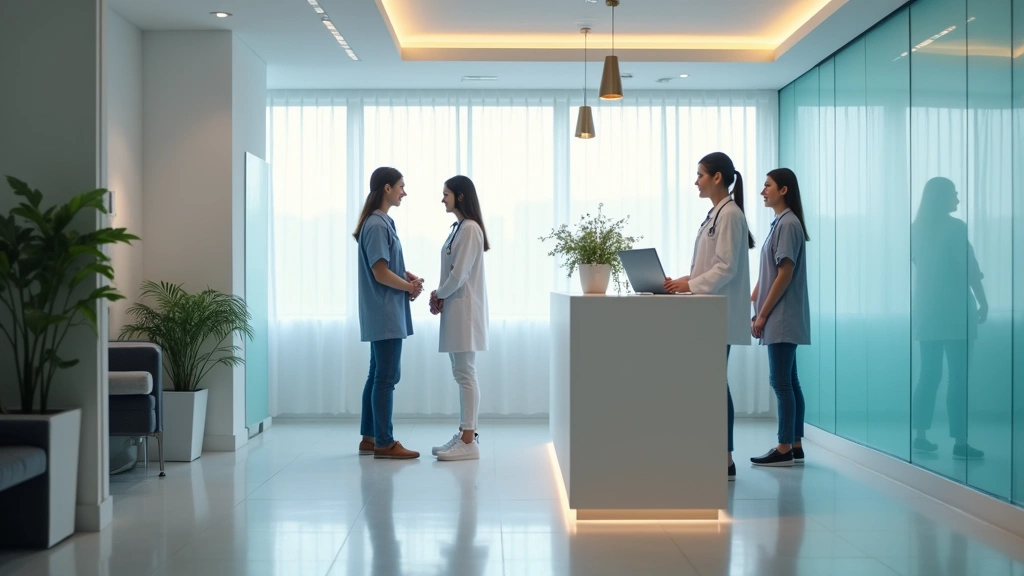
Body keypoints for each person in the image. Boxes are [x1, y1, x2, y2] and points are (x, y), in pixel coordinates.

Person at [664, 151, 754, 481]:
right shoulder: (716, 214)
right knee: (712, 383)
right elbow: (712, 266)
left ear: (717, 177)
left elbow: (726, 268)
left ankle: (725, 458)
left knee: (715, 383)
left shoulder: (729, 215)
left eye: (700, 174)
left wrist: (691, 286)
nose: (696, 181)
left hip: (718, 313)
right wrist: (687, 282)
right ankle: (717, 452)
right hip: (709, 311)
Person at [911, 177, 986, 460]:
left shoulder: (915, 228)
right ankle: (960, 442)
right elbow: (968, 268)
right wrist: (983, 300)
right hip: (955, 313)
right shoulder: (956, 227)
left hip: (928, 312)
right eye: (954, 194)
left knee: (928, 375)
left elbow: (920, 265)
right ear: (942, 197)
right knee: (958, 378)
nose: (958, 199)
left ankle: (920, 436)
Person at [353, 166, 423, 459]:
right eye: (401, 187)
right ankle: (384, 441)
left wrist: (407, 276)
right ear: (387, 189)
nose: (404, 192)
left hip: (382, 310)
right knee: (386, 377)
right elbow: (380, 272)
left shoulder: (380, 223)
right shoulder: (378, 225)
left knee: (376, 375)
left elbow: (386, 265)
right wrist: (408, 287)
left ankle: (370, 438)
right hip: (385, 312)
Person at [750, 168, 810, 467]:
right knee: (791, 381)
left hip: (781, 315)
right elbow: (772, 270)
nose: (763, 191)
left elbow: (785, 273)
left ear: (783, 190)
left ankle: (784, 448)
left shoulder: (787, 224)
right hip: (782, 313)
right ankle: (796, 444)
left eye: (768, 185)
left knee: (781, 383)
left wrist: (762, 314)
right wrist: (754, 295)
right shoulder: (782, 223)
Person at [429, 175, 490, 461]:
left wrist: (438, 293)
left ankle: (468, 441)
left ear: (460, 196)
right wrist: (441, 294)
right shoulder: (459, 228)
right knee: (461, 373)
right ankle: (465, 434)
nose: (442, 199)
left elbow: (460, 274)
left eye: (446, 194)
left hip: (464, 311)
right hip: (456, 310)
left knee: (466, 374)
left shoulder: (470, 229)